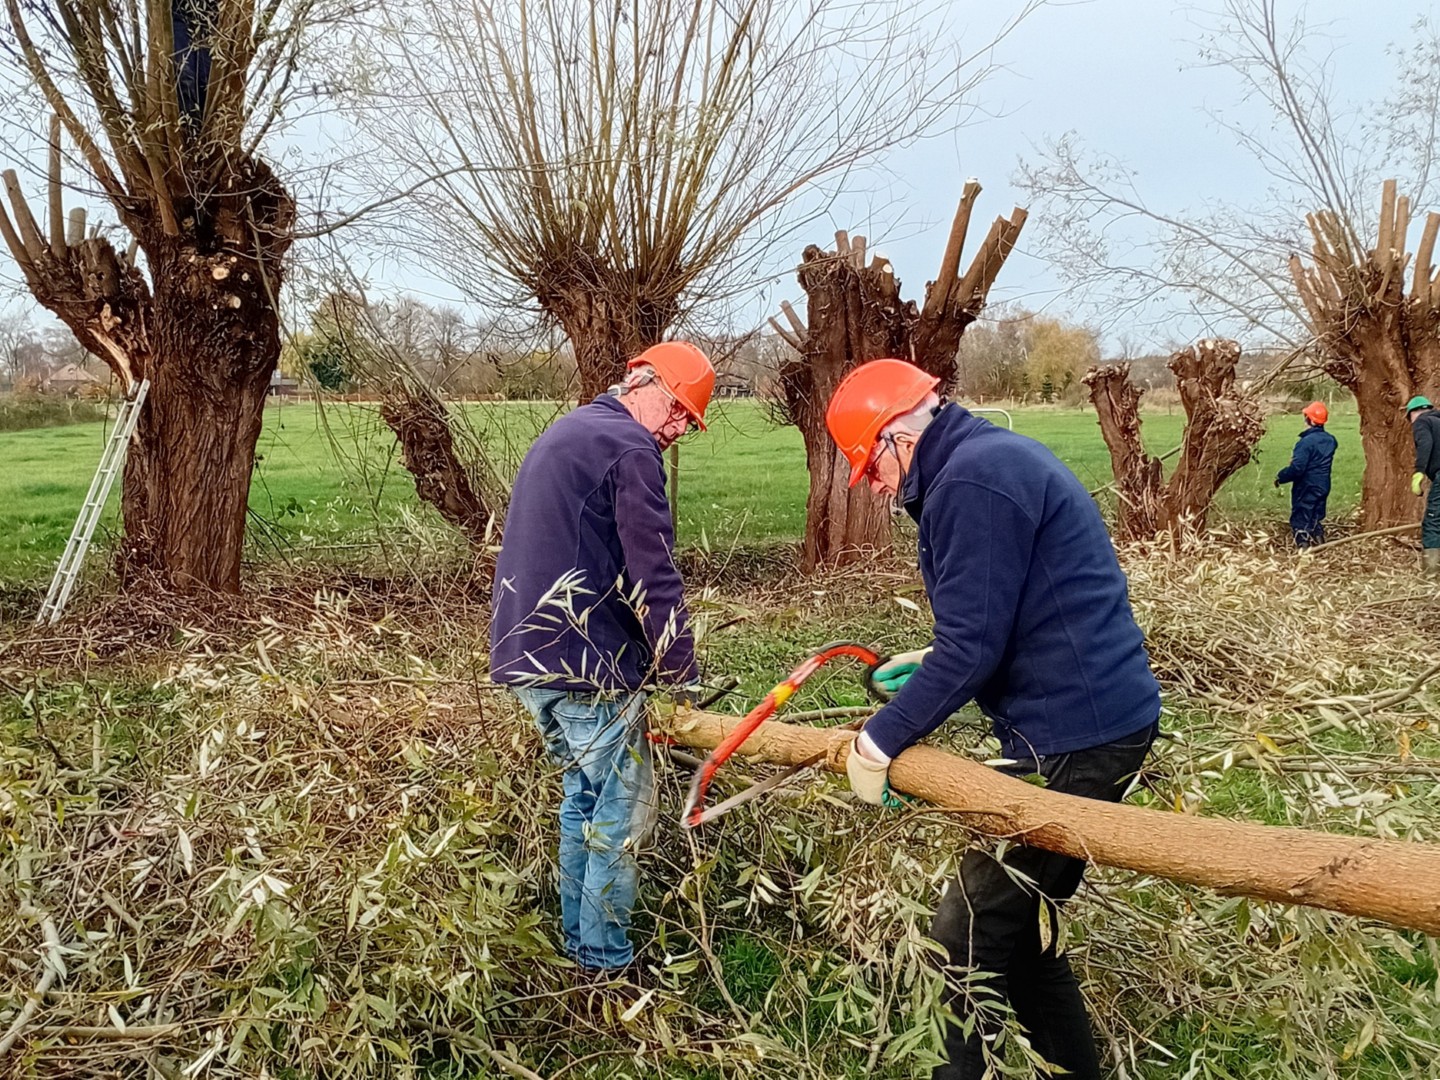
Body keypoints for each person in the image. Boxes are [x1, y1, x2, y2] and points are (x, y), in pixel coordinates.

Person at [825, 358, 1161, 1080]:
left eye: (871, 470)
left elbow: (975, 645)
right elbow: (1005, 610)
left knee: (964, 940)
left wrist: (879, 740)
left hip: (1076, 737)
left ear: (896, 440)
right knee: (1022, 935)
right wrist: (933, 655)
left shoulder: (972, 483)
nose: (877, 489)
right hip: (1092, 722)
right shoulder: (983, 461)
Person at [489, 342, 714, 973]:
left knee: (582, 801)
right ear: (646, 386)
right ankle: (606, 961)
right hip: (585, 664)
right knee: (620, 814)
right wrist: (680, 674)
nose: (675, 431)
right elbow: (655, 574)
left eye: (687, 425)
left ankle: (579, 946)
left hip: (524, 654)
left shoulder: (569, 430)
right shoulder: (629, 448)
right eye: (677, 413)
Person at [1274, 401, 1338, 548]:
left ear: (1309, 420)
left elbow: (1297, 468)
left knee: (1301, 519)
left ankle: (1304, 551)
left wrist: (1281, 476)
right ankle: (1321, 545)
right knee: (1315, 516)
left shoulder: (1305, 443)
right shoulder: (1331, 440)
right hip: (1323, 485)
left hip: (1306, 486)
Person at [1408, 395, 1440, 579]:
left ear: (1414, 412)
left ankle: (1431, 573)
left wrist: (1419, 472)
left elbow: (1425, 444)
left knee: (1433, 520)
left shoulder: (1422, 422)